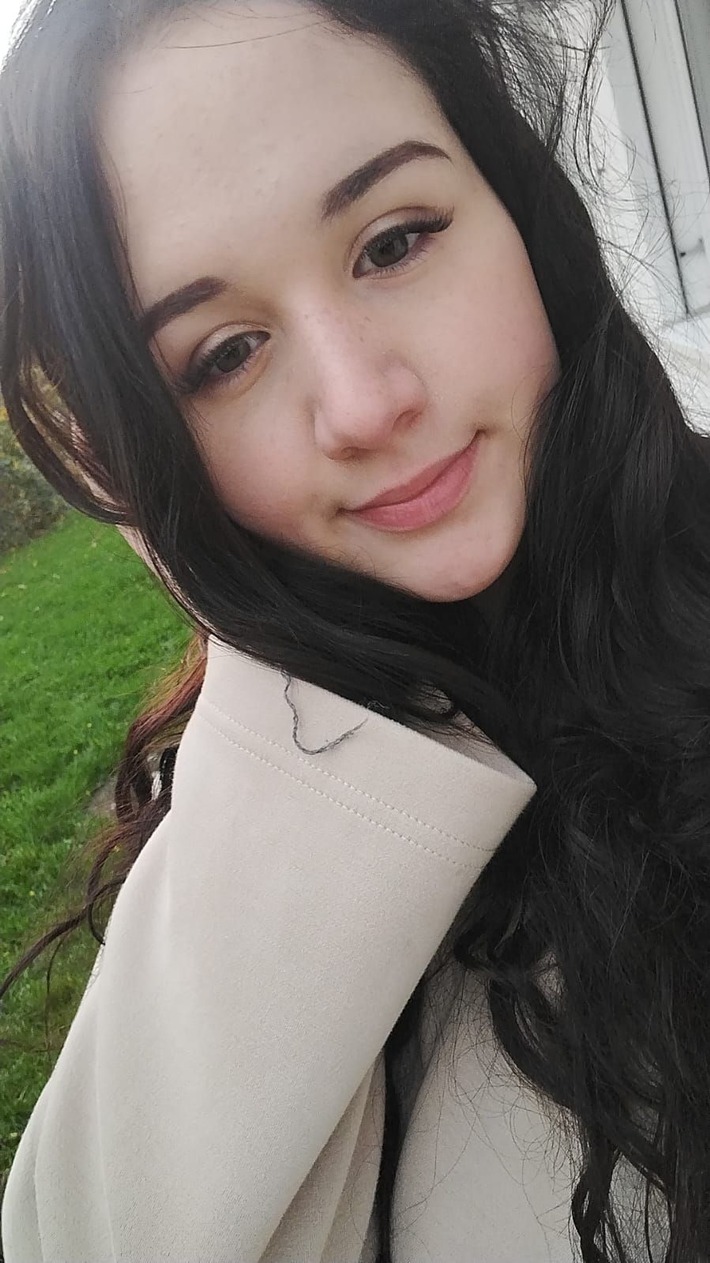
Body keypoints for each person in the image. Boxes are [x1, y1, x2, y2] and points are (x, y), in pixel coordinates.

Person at [1, 0, 709, 1258]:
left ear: (512, 200)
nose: (364, 403)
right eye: (223, 356)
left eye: (393, 242)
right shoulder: (263, 831)